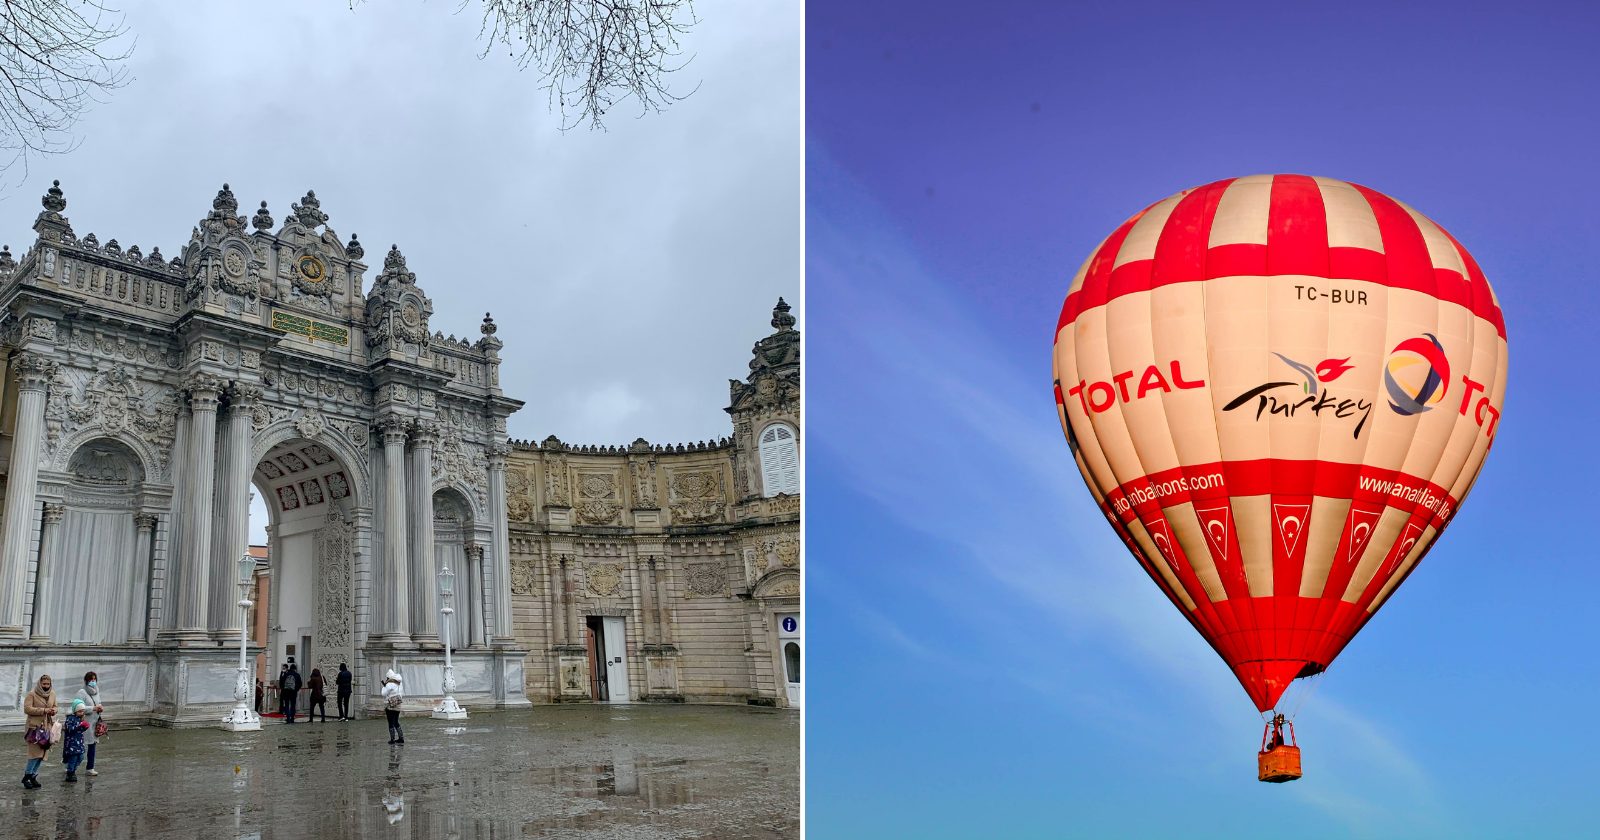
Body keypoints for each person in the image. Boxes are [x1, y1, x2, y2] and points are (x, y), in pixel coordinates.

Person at [21, 674, 56, 789]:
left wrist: (53, 711)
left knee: (42, 754)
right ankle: (27, 776)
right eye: (44, 684)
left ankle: (33, 776)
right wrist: (44, 710)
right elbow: (27, 709)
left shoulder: (52, 693)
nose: (46, 686)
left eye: (48, 684)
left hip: (47, 727)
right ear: (40, 684)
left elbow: (56, 706)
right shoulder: (32, 694)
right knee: (34, 754)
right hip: (34, 728)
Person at [73, 671, 104, 777]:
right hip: (84, 723)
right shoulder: (81, 692)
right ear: (86, 681)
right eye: (91, 680)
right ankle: (70, 765)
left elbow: (98, 703)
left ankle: (90, 768)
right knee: (78, 746)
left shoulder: (97, 691)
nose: (93, 681)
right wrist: (93, 708)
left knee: (92, 745)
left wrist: (100, 708)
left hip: (95, 723)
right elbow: (77, 707)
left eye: (94, 679)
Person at [60, 700, 89, 783]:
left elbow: (80, 730)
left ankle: (73, 770)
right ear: (75, 711)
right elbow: (70, 729)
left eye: (83, 711)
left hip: (79, 742)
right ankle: (70, 772)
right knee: (73, 758)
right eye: (80, 711)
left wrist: (84, 727)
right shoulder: (70, 718)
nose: (81, 713)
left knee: (81, 757)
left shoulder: (80, 718)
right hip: (72, 743)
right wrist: (79, 725)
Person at [381, 670, 404, 744]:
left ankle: (392, 739)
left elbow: (383, 694)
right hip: (398, 703)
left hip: (390, 704)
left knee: (390, 722)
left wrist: (384, 686)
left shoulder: (389, 684)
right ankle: (401, 738)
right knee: (396, 722)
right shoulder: (399, 683)